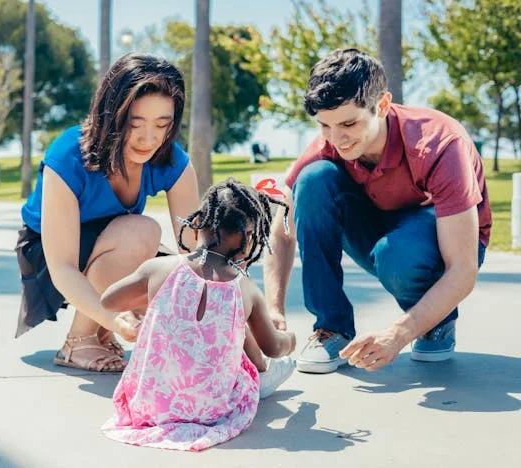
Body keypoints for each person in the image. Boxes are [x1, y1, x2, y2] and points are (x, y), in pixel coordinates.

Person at [262, 48, 492, 374]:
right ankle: (332, 329)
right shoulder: (328, 144)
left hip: (440, 240)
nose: (336, 138)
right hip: (381, 226)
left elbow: (463, 268)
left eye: (348, 123)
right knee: (311, 182)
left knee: (397, 255)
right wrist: (274, 311)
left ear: (382, 105)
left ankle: (435, 321)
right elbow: (281, 229)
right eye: (324, 125)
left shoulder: (440, 143)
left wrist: (397, 335)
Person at [14, 53, 200, 372]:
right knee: (142, 231)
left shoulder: (173, 160)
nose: (149, 138)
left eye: (162, 124)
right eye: (135, 123)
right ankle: (78, 341)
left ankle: (101, 334)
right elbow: (62, 267)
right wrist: (112, 317)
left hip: (115, 247)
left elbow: (197, 253)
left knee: (168, 281)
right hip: (49, 255)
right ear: (111, 115)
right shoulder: (68, 154)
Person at [100, 178, 297, 451]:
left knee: (226, 326)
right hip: (212, 411)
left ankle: (258, 374)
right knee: (233, 325)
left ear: (198, 222)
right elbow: (274, 347)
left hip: (152, 407)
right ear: (250, 237)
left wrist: (154, 304)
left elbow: (108, 300)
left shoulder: (158, 269)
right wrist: (291, 338)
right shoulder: (245, 288)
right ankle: (263, 377)